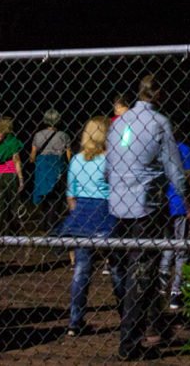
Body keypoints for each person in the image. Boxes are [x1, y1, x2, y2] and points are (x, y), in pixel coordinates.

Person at [105, 75, 190, 360]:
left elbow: (109, 168)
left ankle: (149, 323)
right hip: (146, 206)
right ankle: (130, 340)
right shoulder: (159, 123)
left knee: (124, 265)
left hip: (118, 206)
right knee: (142, 274)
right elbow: (174, 170)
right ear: (159, 95)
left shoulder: (119, 124)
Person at [55, 116, 115, 336]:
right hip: (106, 212)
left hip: (82, 213)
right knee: (117, 268)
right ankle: (126, 317)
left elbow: (71, 195)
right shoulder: (110, 159)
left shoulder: (77, 160)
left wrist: (79, 213)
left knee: (82, 269)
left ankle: (75, 321)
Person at [158, 134, 190, 311]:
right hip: (178, 204)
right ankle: (176, 293)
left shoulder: (158, 148)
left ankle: (162, 284)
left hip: (161, 203)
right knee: (181, 250)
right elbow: (189, 179)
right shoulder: (183, 149)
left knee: (167, 246)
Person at [30, 109, 70, 232]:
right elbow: (68, 157)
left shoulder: (37, 135)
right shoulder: (64, 136)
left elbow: (32, 157)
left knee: (44, 197)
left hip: (42, 167)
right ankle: (51, 225)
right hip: (56, 167)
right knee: (55, 197)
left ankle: (43, 224)